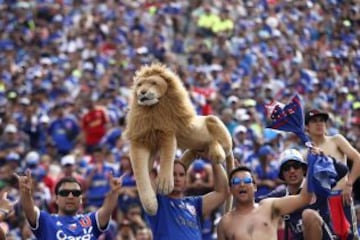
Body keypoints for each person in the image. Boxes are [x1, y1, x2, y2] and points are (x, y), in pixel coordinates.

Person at [15, 169, 126, 240]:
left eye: (76, 193)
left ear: (81, 199)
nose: (70, 196)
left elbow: (107, 210)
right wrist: (26, 192)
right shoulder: (46, 220)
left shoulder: (91, 220)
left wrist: (114, 192)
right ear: (57, 199)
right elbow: (29, 209)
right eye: (64, 193)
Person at [257, 149, 337, 240]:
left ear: (304, 169)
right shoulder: (281, 195)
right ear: (282, 174)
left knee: (309, 215)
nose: (292, 171)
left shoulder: (319, 186)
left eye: (296, 166)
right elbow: (253, 204)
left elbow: (343, 170)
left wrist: (325, 158)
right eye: (286, 168)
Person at [217, 164, 312, 240]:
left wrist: (312, 165)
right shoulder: (225, 222)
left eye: (247, 180)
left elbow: (304, 198)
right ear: (230, 189)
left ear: (254, 187)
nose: (242, 184)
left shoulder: (269, 207)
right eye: (236, 181)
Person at [305, 109, 360, 239]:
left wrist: (349, 184)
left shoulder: (336, 140)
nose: (319, 124)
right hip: (323, 202)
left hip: (343, 197)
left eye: (322, 120)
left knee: (351, 237)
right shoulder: (306, 152)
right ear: (307, 127)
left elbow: (358, 159)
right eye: (314, 121)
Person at [146, 158, 229, 240]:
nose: (177, 178)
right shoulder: (157, 201)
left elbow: (222, 193)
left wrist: (214, 159)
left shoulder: (194, 203)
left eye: (181, 175)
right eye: (173, 174)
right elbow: (147, 171)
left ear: (186, 179)